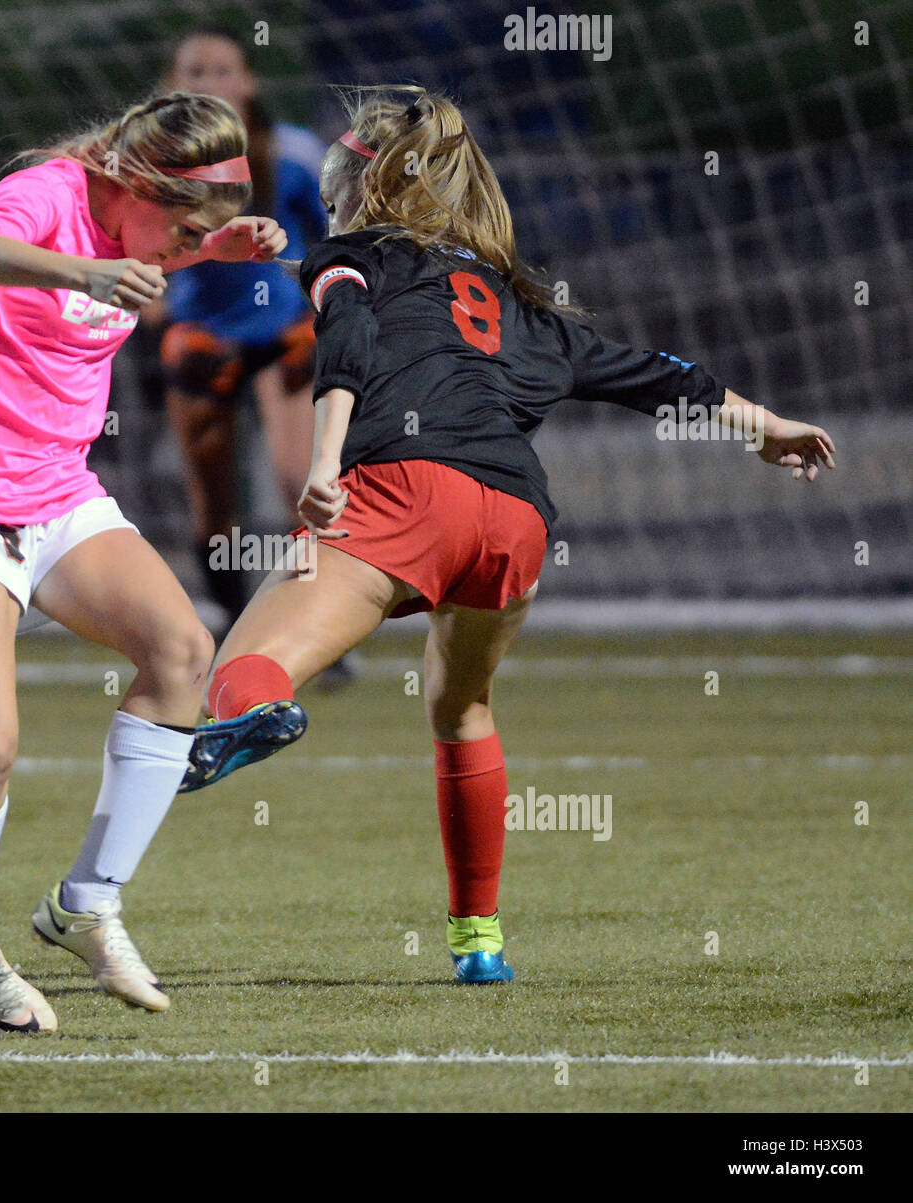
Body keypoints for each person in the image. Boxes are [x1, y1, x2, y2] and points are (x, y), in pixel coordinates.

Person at [180, 86, 836, 985]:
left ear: (362, 193)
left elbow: (348, 341)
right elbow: (653, 374)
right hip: (516, 521)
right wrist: (770, 428)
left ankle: (255, 714)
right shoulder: (519, 306)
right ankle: (478, 941)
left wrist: (323, 461)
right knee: (462, 709)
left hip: (404, 492)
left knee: (240, 670)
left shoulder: (353, 255)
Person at [0, 91, 288, 1031]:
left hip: (55, 485)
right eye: (180, 228)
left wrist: (212, 250)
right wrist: (90, 271)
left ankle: (87, 902)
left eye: (195, 237)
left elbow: (147, 259)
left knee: (182, 651)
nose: (176, 249)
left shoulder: (153, 236)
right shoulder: (51, 194)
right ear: (133, 183)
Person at [155, 27, 330, 631]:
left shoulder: (295, 153)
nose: (208, 83)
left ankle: (309, 627)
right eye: (194, 72)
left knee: (302, 484)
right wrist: (144, 297)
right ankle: (231, 627)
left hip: (285, 331)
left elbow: (339, 236)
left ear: (249, 81)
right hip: (204, 337)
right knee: (211, 503)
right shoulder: (155, 160)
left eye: (222, 70)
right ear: (175, 85)